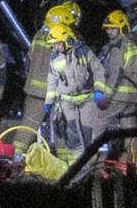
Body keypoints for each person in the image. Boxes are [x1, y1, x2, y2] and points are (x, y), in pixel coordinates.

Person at [15, 4, 75, 152]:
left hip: (34, 91)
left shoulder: (38, 36)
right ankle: (64, 163)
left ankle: (15, 156)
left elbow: (28, 60)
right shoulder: (62, 39)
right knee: (61, 128)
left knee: (27, 126)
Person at [44, 23, 105, 163]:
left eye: (59, 43)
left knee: (87, 132)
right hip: (66, 102)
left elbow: (99, 71)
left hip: (87, 100)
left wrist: (99, 91)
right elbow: (52, 81)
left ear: (68, 40)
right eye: (54, 44)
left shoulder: (84, 52)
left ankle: (91, 165)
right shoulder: (54, 58)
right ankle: (75, 166)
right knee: (72, 135)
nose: (57, 47)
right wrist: (48, 102)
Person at [96, 9, 137, 160]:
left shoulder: (117, 46)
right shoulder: (133, 45)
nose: (109, 32)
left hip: (118, 95)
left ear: (122, 27)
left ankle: (96, 161)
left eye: (113, 28)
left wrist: (106, 96)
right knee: (129, 130)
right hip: (132, 96)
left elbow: (115, 73)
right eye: (108, 29)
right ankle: (132, 161)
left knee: (97, 123)